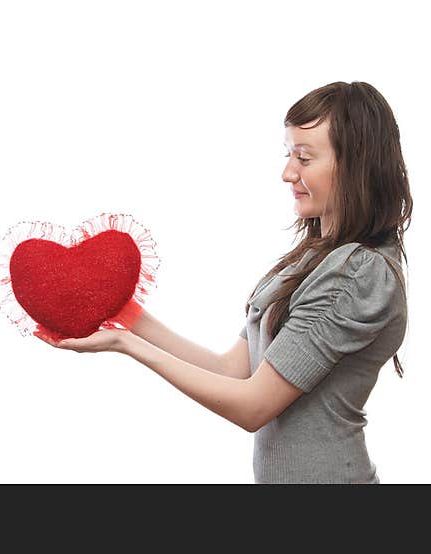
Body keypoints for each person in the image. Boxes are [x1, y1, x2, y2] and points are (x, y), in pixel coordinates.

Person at [42, 81, 412, 484]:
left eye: (304, 158)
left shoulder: (358, 274)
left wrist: (125, 345)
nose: (288, 172)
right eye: (288, 154)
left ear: (356, 166)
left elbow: (252, 407)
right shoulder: (313, 258)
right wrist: (124, 316)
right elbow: (233, 371)